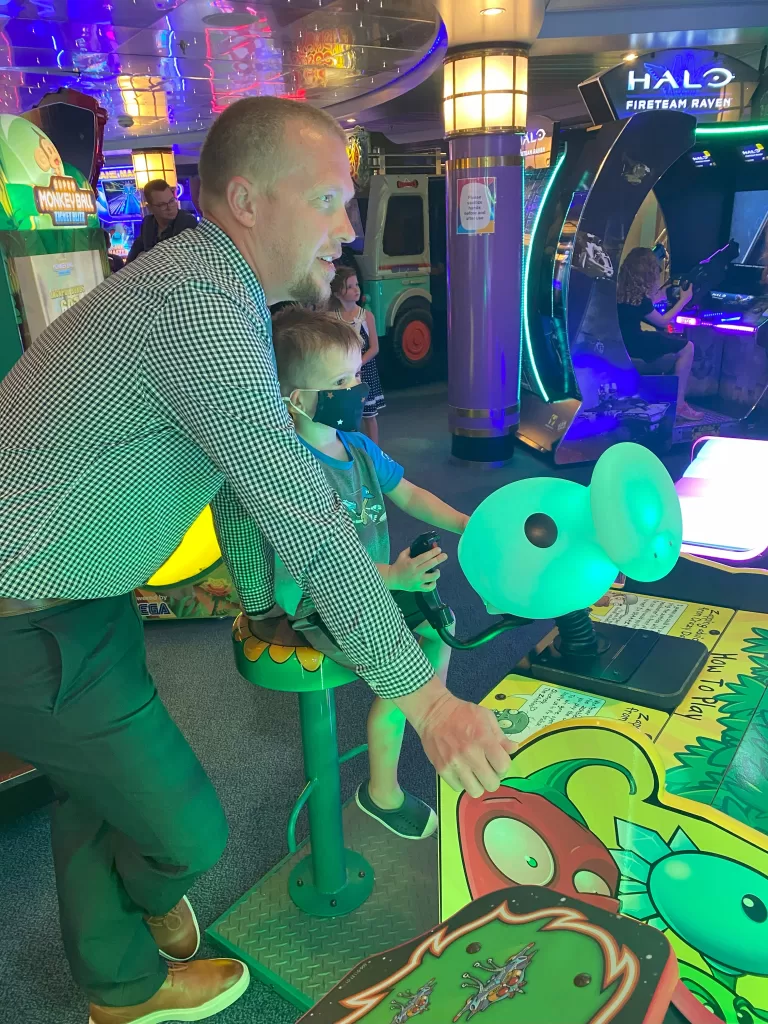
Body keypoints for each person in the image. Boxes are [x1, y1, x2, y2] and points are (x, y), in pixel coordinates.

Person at [0, 96, 514, 1024]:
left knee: (92, 799)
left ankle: (120, 984)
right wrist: (428, 698)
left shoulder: (213, 289)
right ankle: (143, 917)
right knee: (188, 833)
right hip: (29, 622)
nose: (348, 229)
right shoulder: (199, 306)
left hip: (75, 598)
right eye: (327, 201)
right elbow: (305, 523)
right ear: (245, 199)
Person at [272, 306, 466, 839]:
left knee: (441, 625)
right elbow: (315, 564)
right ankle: (383, 790)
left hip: (377, 582)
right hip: (315, 599)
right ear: (296, 398)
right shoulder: (287, 469)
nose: (356, 390)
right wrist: (394, 577)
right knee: (410, 662)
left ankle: (421, 711)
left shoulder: (358, 447)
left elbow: (411, 494)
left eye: (356, 376)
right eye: (341, 382)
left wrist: (465, 523)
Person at [617, 246, 702, 421]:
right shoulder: (640, 300)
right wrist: (684, 300)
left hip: (623, 342)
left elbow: (642, 311)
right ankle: (678, 404)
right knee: (687, 347)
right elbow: (663, 321)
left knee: (667, 339)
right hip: (637, 344)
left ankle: (667, 398)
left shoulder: (621, 293)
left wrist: (660, 296)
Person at [329, 265, 384, 443]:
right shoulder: (331, 318)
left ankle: (374, 454)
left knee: (369, 416)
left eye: (356, 285)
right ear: (338, 293)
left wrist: (358, 363)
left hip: (365, 372)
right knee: (346, 416)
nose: (356, 289)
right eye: (350, 286)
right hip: (342, 374)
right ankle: (349, 449)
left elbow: (374, 347)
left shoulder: (367, 316)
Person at [125, 178, 197, 263]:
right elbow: (133, 254)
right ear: (150, 208)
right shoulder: (148, 223)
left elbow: (173, 258)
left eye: (171, 201)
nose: (170, 207)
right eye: (162, 205)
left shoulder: (186, 221)